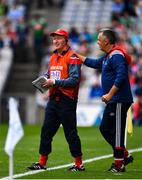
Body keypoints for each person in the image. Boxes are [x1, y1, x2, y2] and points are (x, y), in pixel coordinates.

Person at [27, 29, 85, 171]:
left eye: (58, 38)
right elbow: (50, 73)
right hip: (53, 100)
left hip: (67, 100)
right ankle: (42, 163)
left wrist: (54, 82)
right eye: (54, 38)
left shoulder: (73, 57)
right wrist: (44, 80)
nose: (55, 41)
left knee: (70, 133)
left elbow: (75, 80)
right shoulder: (53, 56)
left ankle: (79, 164)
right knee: (46, 131)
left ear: (66, 40)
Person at [77, 28, 134, 173]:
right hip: (114, 100)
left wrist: (109, 94)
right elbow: (94, 63)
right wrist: (75, 55)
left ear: (106, 41)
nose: (97, 42)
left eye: (98, 39)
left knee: (118, 131)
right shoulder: (108, 56)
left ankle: (119, 164)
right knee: (105, 128)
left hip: (119, 99)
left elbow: (121, 76)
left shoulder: (116, 56)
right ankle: (124, 155)